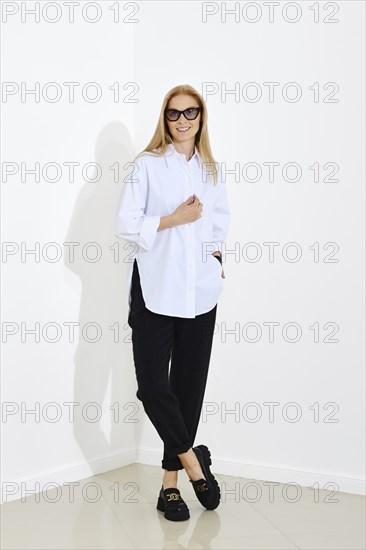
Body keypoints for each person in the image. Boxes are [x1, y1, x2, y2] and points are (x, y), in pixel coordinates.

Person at [115, 84, 230, 521]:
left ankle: (170, 486)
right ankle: (194, 461)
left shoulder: (212, 170)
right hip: (154, 289)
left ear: (201, 117)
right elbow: (125, 224)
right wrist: (173, 219)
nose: (182, 121)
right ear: (164, 120)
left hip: (200, 292)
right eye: (174, 114)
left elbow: (219, 223)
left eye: (190, 113)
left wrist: (215, 260)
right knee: (152, 387)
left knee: (187, 389)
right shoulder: (146, 166)